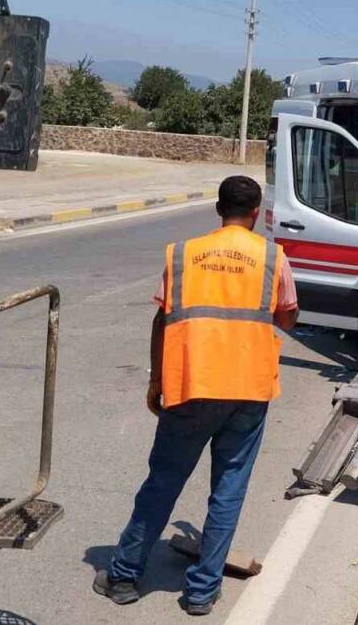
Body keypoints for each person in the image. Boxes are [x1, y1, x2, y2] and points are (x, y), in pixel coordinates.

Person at [93, 175, 298, 616]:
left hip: (191, 385)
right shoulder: (273, 257)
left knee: (162, 482)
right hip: (248, 390)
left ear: (218, 209)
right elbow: (289, 317)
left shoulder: (184, 253)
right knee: (229, 488)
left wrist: (156, 382)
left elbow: (161, 320)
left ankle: (125, 576)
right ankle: (202, 591)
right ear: (259, 211)